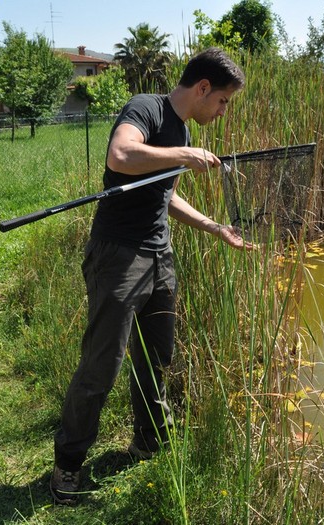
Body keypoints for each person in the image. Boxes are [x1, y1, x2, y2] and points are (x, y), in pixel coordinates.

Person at [50, 47, 251, 506]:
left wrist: (216, 228)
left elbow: (165, 198)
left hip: (160, 256)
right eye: (222, 101)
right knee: (102, 365)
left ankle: (148, 441)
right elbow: (121, 155)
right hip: (119, 256)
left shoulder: (182, 127)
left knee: (156, 359)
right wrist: (183, 153)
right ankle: (68, 464)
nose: (222, 111)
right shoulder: (147, 108)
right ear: (202, 88)